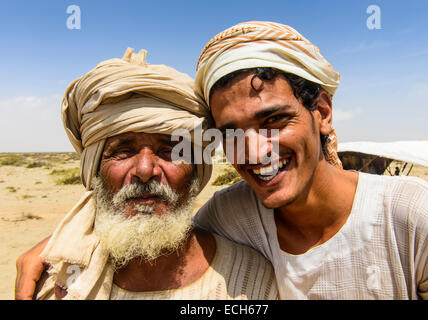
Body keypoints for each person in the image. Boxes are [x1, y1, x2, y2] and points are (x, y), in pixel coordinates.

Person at [17, 21, 428, 300]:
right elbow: (148, 211)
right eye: (231, 132)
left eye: (274, 120)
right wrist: (62, 243)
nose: (256, 150)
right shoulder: (230, 215)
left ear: (321, 111)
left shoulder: (423, 222)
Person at [18, 47, 277, 300]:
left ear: (196, 170)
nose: (144, 171)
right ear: (95, 168)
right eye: (123, 150)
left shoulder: (252, 282)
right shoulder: (57, 282)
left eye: (169, 151)